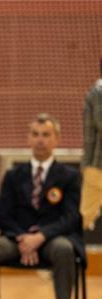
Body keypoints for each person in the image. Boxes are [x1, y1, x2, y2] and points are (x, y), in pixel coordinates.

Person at [0, 114, 83, 299]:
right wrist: (23, 238)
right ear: (29, 139)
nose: (40, 140)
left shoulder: (70, 176)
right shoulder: (14, 175)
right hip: (18, 239)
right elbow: (2, 214)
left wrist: (41, 236)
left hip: (53, 239)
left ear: (57, 139)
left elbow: (72, 217)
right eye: (35, 134)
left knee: (65, 250)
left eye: (46, 135)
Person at [80, 60, 102, 230]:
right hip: (97, 167)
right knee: (85, 222)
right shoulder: (97, 92)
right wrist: (86, 166)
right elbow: (91, 133)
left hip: (93, 167)